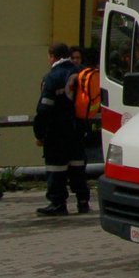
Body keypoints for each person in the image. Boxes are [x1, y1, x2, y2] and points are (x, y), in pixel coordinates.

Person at [33, 42, 89, 217]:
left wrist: (39, 132)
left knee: (56, 167)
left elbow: (44, 108)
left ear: (52, 56)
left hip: (57, 130)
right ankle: (83, 201)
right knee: (77, 165)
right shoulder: (81, 72)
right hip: (78, 128)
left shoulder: (52, 77)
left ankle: (58, 203)